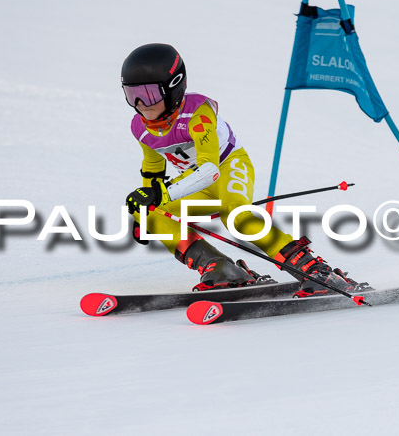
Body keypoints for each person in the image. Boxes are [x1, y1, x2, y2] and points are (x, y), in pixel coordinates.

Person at [122, 43, 366, 297]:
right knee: (151, 215)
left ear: (174, 86)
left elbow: (209, 170)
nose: (141, 104)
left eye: (149, 94)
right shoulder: (140, 127)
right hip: (194, 182)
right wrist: (146, 206)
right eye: (132, 95)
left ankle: (315, 269)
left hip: (228, 166)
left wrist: (162, 194)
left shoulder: (198, 114)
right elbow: (153, 167)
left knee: (236, 216)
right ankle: (221, 268)